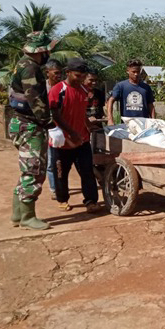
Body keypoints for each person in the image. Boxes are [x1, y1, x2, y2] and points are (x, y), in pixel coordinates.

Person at [8, 31, 58, 230]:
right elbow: (35, 101)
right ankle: (27, 217)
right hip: (29, 125)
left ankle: (17, 215)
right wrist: (50, 125)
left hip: (21, 123)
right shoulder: (30, 68)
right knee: (33, 169)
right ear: (41, 50)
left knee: (27, 169)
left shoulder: (22, 63)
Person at [48, 58, 100, 213]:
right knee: (61, 173)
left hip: (82, 140)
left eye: (83, 76)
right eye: (77, 76)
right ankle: (62, 199)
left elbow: (81, 112)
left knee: (87, 171)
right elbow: (55, 115)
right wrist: (71, 133)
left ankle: (91, 201)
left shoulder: (84, 91)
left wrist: (88, 127)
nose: (81, 79)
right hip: (62, 141)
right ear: (68, 73)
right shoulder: (58, 90)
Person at [106, 59, 155, 126]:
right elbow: (110, 100)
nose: (136, 74)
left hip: (144, 124)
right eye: (133, 72)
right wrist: (110, 119)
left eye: (138, 72)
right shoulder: (121, 86)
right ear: (128, 71)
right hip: (127, 124)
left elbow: (151, 106)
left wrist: (154, 121)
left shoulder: (146, 87)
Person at [43, 59, 64, 200]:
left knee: (62, 160)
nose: (59, 76)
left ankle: (62, 185)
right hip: (47, 127)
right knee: (51, 161)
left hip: (61, 127)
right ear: (47, 73)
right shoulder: (41, 89)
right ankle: (53, 188)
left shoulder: (63, 88)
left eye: (60, 73)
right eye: (56, 73)